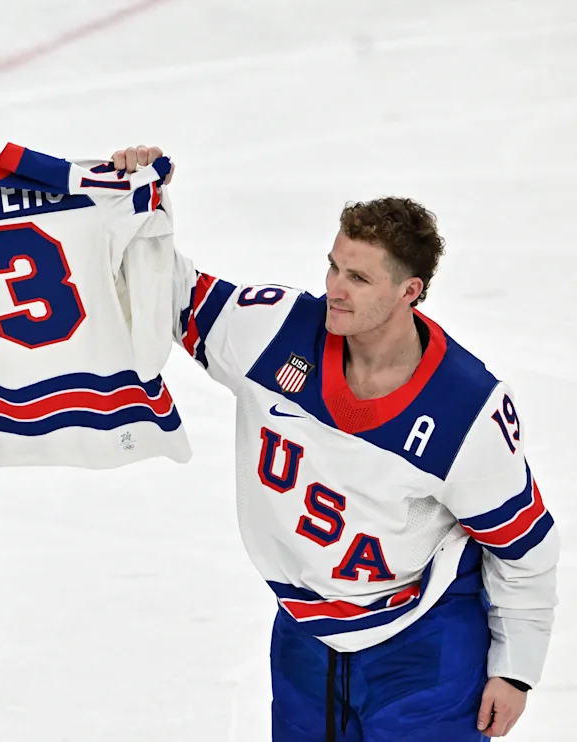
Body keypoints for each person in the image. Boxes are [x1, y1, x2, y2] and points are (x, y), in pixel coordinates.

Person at [107, 145, 558, 740]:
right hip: (303, 633)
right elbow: (169, 293)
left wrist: (516, 669)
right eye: (334, 267)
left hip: (423, 644)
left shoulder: (466, 410)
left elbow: (524, 548)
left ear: (409, 291)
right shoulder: (274, 331)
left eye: (359, 277)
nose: (334, 289)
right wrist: (134, 206)